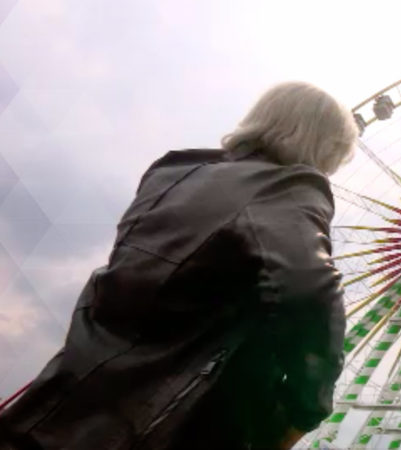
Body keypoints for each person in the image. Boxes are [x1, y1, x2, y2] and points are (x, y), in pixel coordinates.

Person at [0, 81, 358, 449]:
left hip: (65, 400)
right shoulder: (290, 190)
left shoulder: (173, 171)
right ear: (323, 146)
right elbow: (309, 295)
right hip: (171, 422)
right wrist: (305, 410)